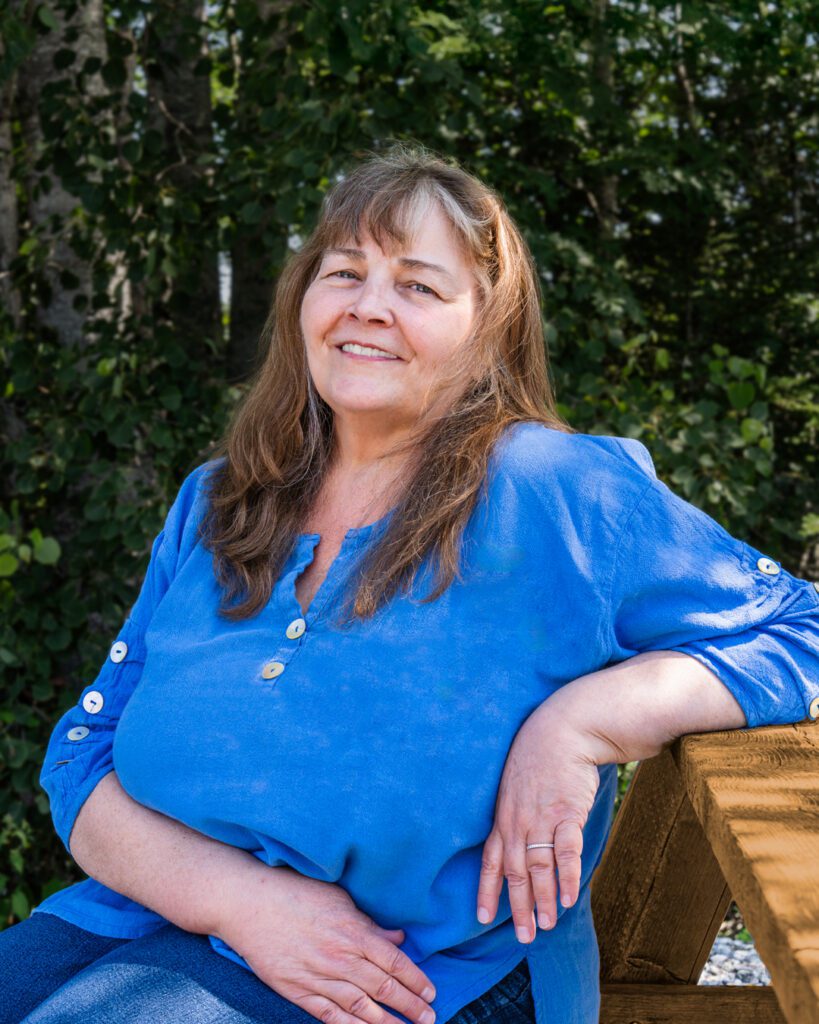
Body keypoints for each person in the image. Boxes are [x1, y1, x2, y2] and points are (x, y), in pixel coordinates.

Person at [2, 142, 818, 1024]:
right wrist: (240, 901)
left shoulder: (563, 493)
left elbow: (798, 630)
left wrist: (578, 725)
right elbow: (83, 756)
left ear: (487, 331)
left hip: (415, 975)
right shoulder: (219, 499)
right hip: (142, 921)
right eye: (344, 271)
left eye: (418, 287)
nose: (368, 307)